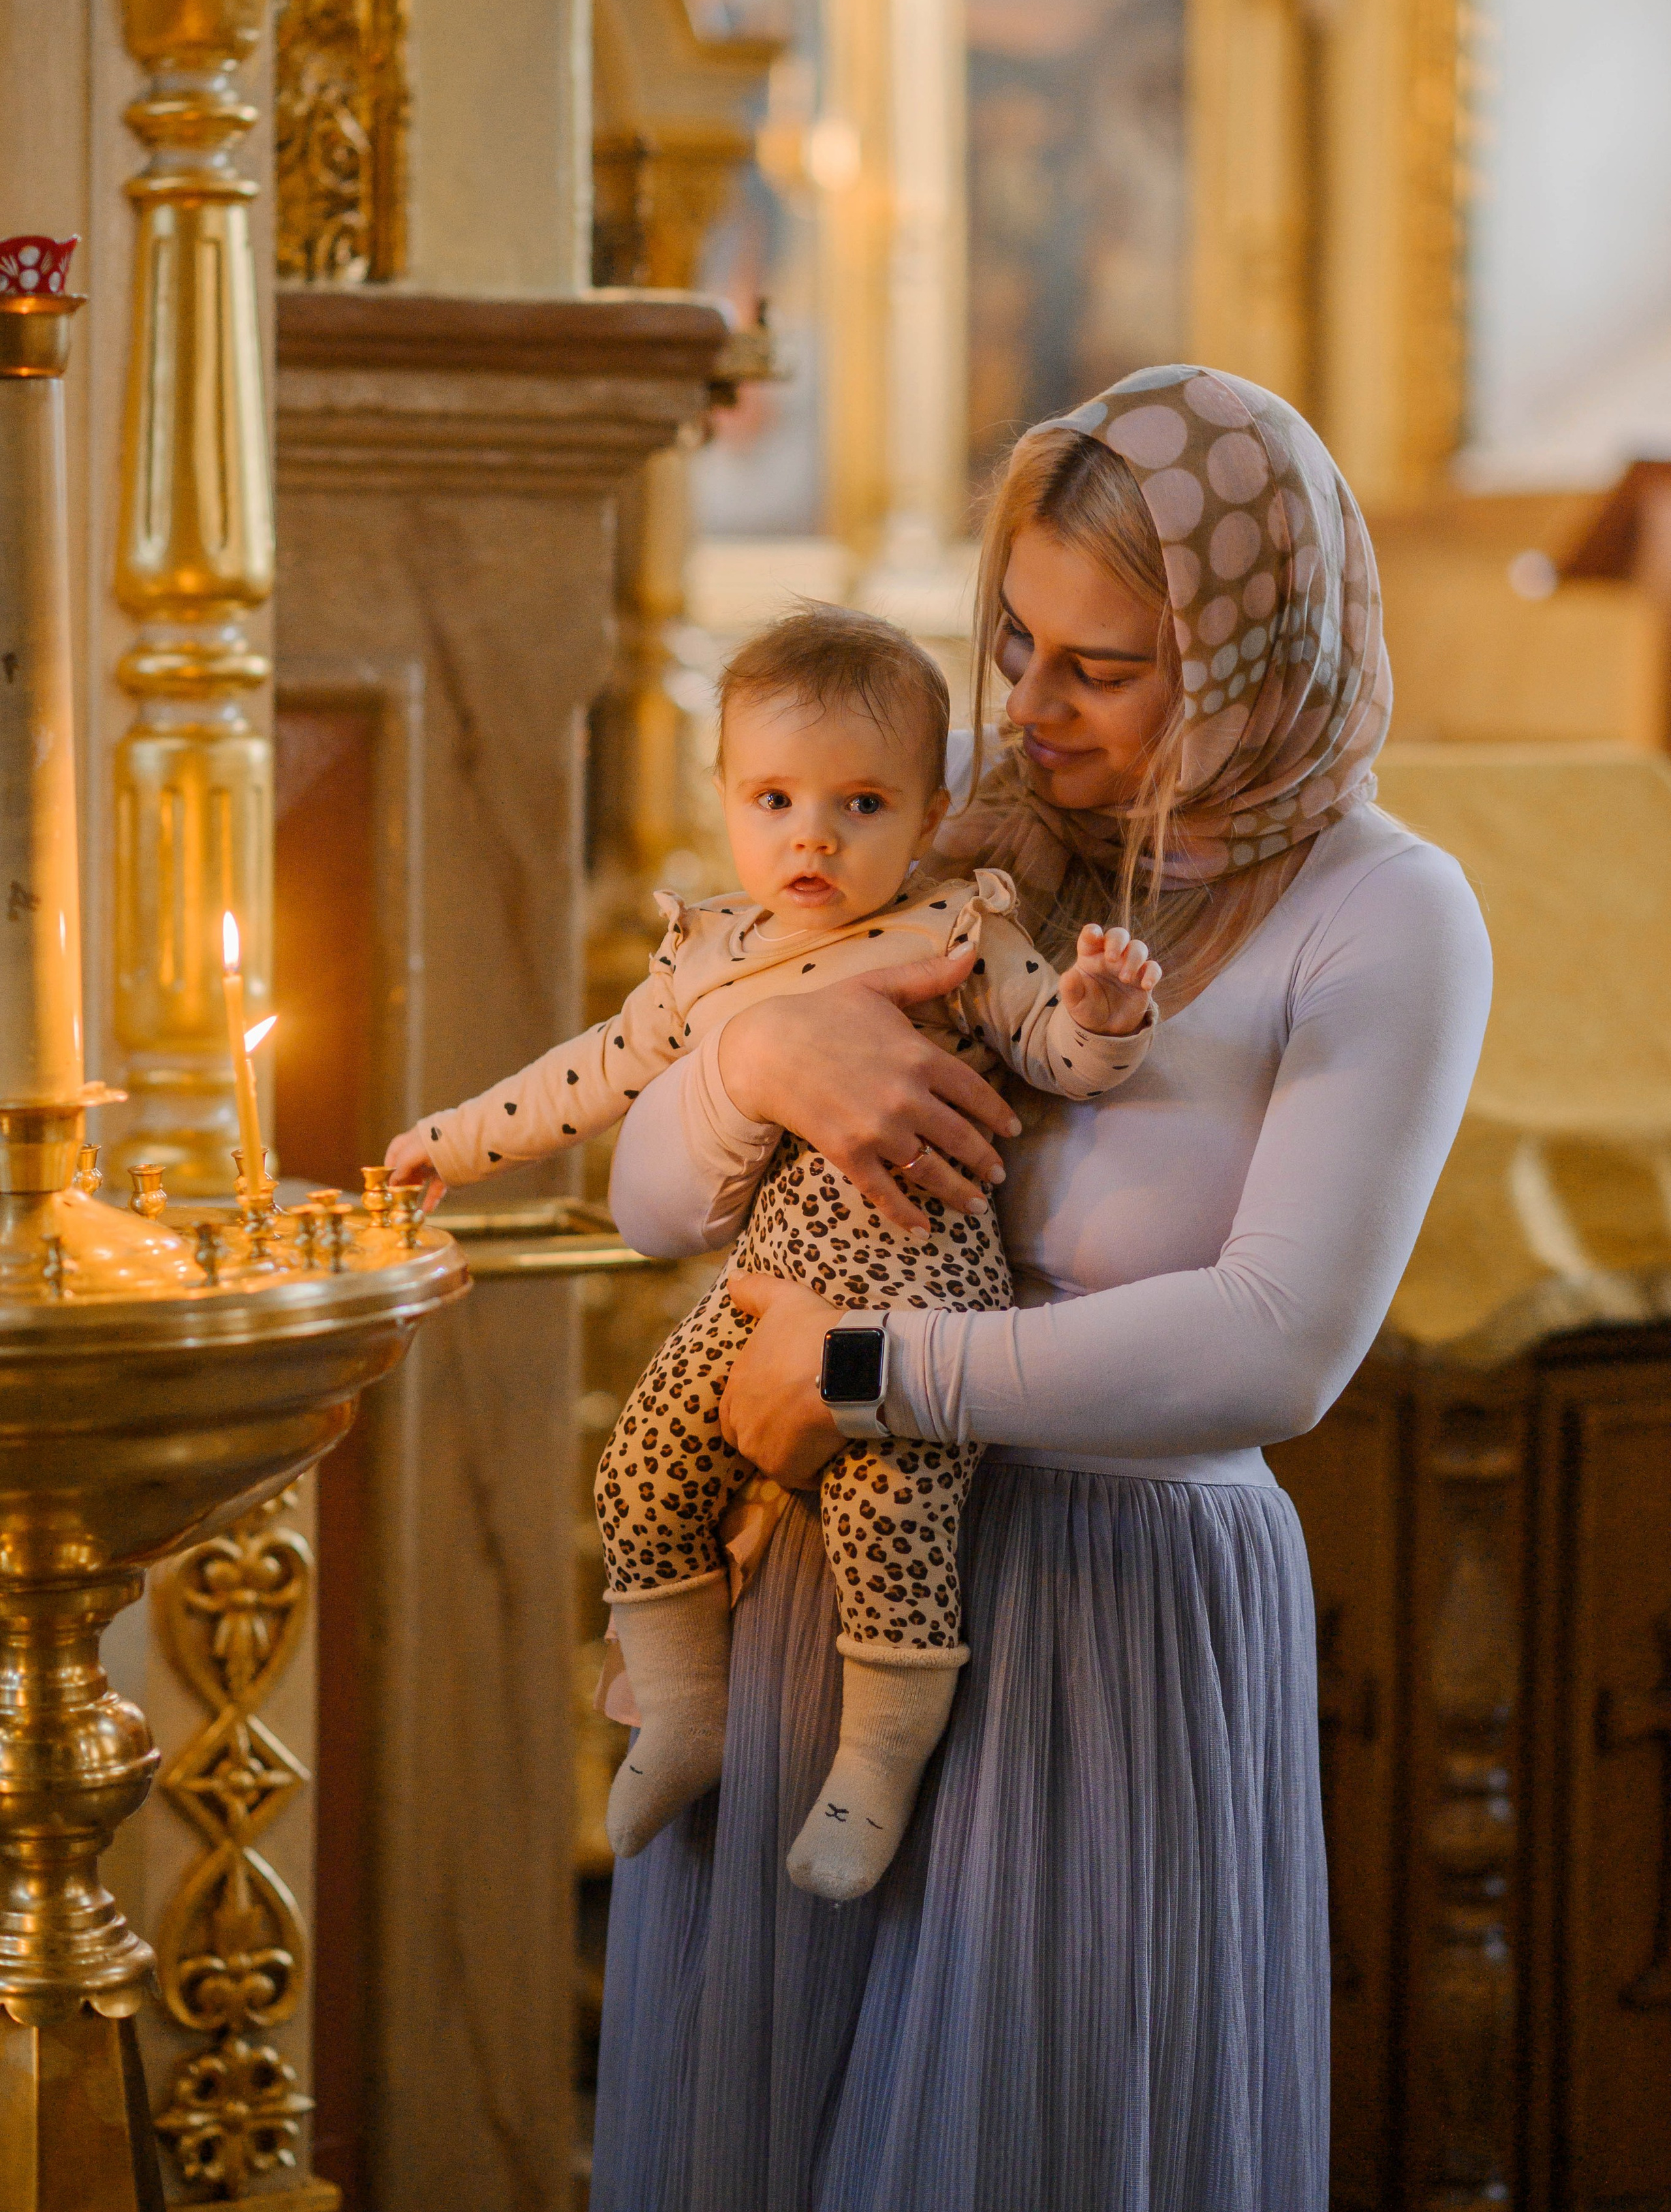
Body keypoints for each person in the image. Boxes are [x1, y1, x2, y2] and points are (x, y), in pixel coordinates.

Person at [590, 367, 1493, 2212]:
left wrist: (867, 1366)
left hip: (1110, 1622)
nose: (1026, 702)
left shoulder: (1384, 914)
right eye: (1015, 636)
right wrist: (752, 1071)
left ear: (1253, 655)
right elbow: (646, 1206)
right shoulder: (960, 859)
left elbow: (1278, 1345)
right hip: (814, 1608)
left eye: (1105, 664)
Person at [386, 604, 1160, 1900]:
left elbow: (1057, 1056)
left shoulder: (958, 929)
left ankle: (876, 1763)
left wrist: (1099, 1012)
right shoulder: (706, 958)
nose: (811, 834)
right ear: (726, 797)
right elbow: (589, 1075)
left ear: (926, 813)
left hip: (918, 1275)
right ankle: (683, 1714)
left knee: (890, 1512)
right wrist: (450, 1143)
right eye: (774, 797)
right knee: (639, 1465)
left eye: (861, 804)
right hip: (762, 1291)